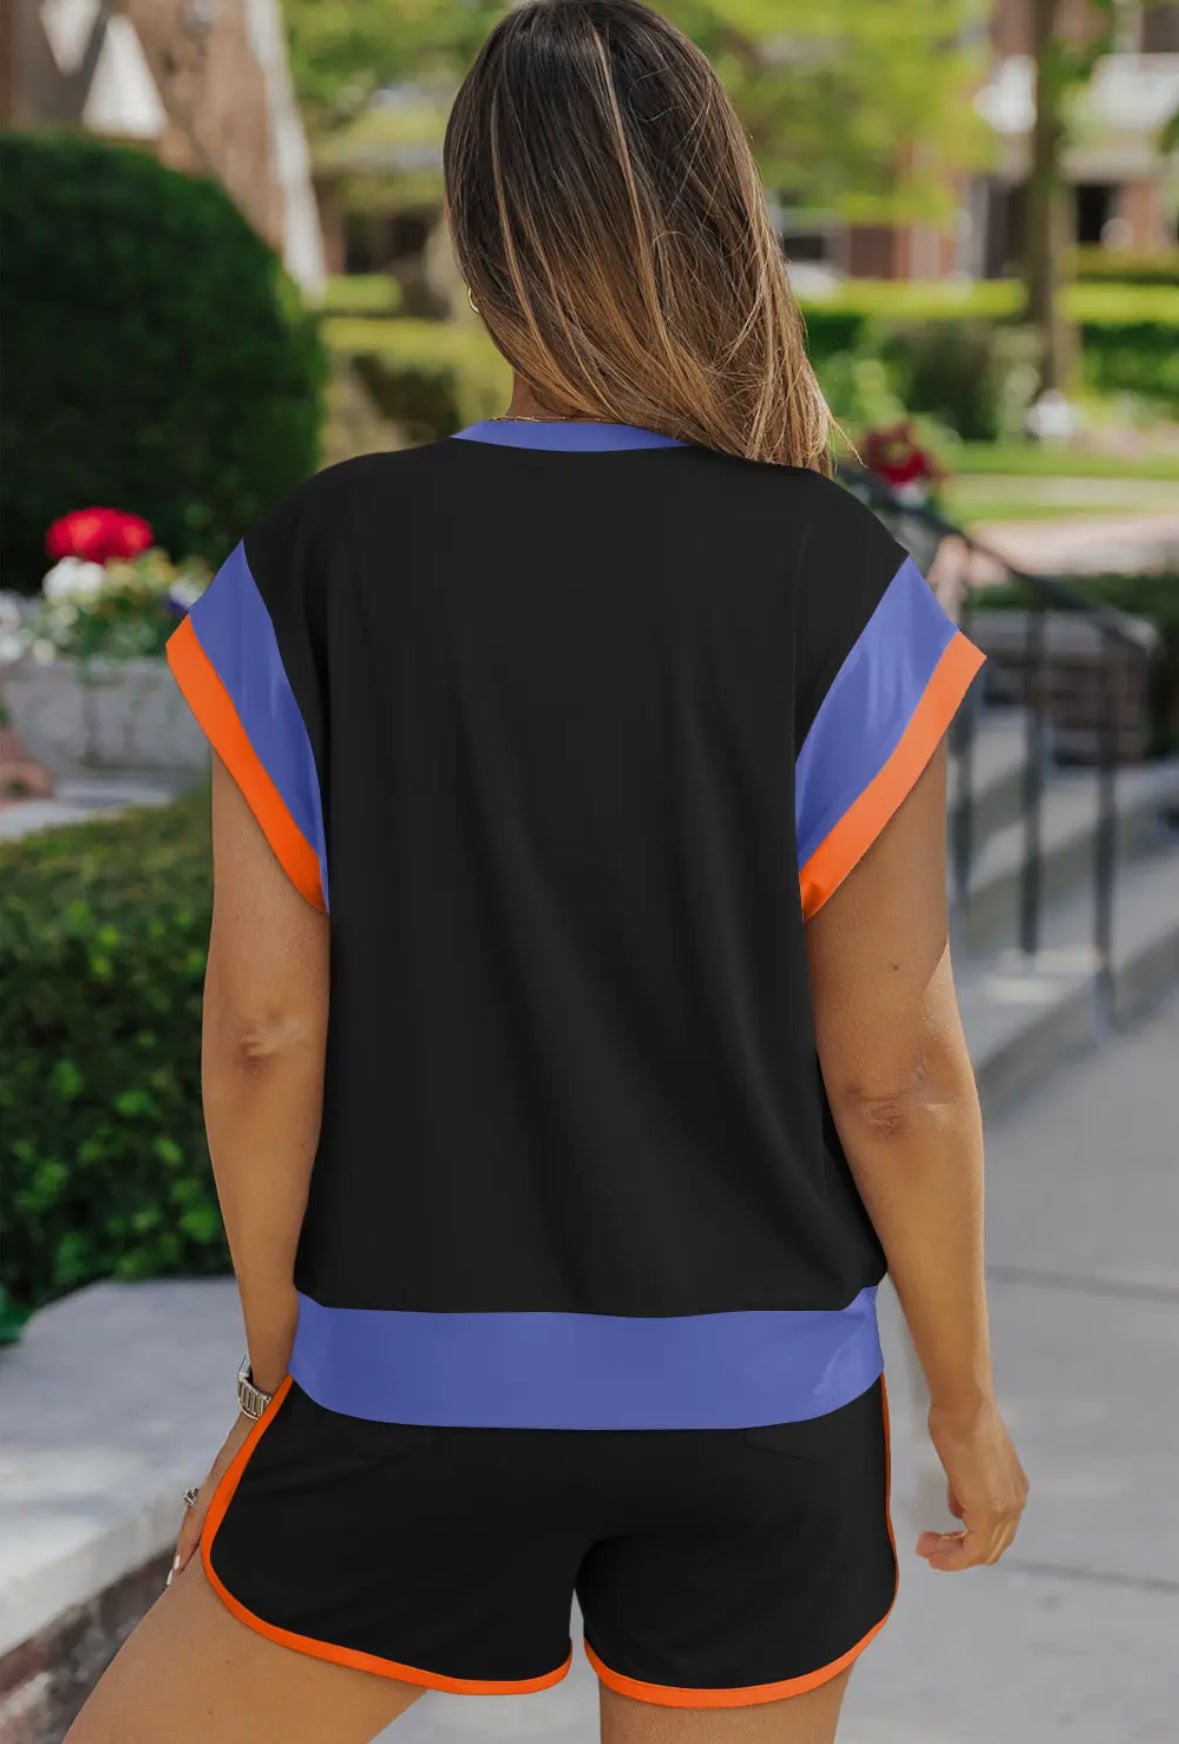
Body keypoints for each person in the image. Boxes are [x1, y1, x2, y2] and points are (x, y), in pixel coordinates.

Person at [68, 4, 1027, 1741]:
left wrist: (282, 1370)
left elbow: (266, 1035)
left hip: (404, 1384)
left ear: (473, 234)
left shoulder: (321, 558)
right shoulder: (837, 574)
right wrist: (962, 1400)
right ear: (721, 215)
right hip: (759, 1400)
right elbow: (894, 1075)